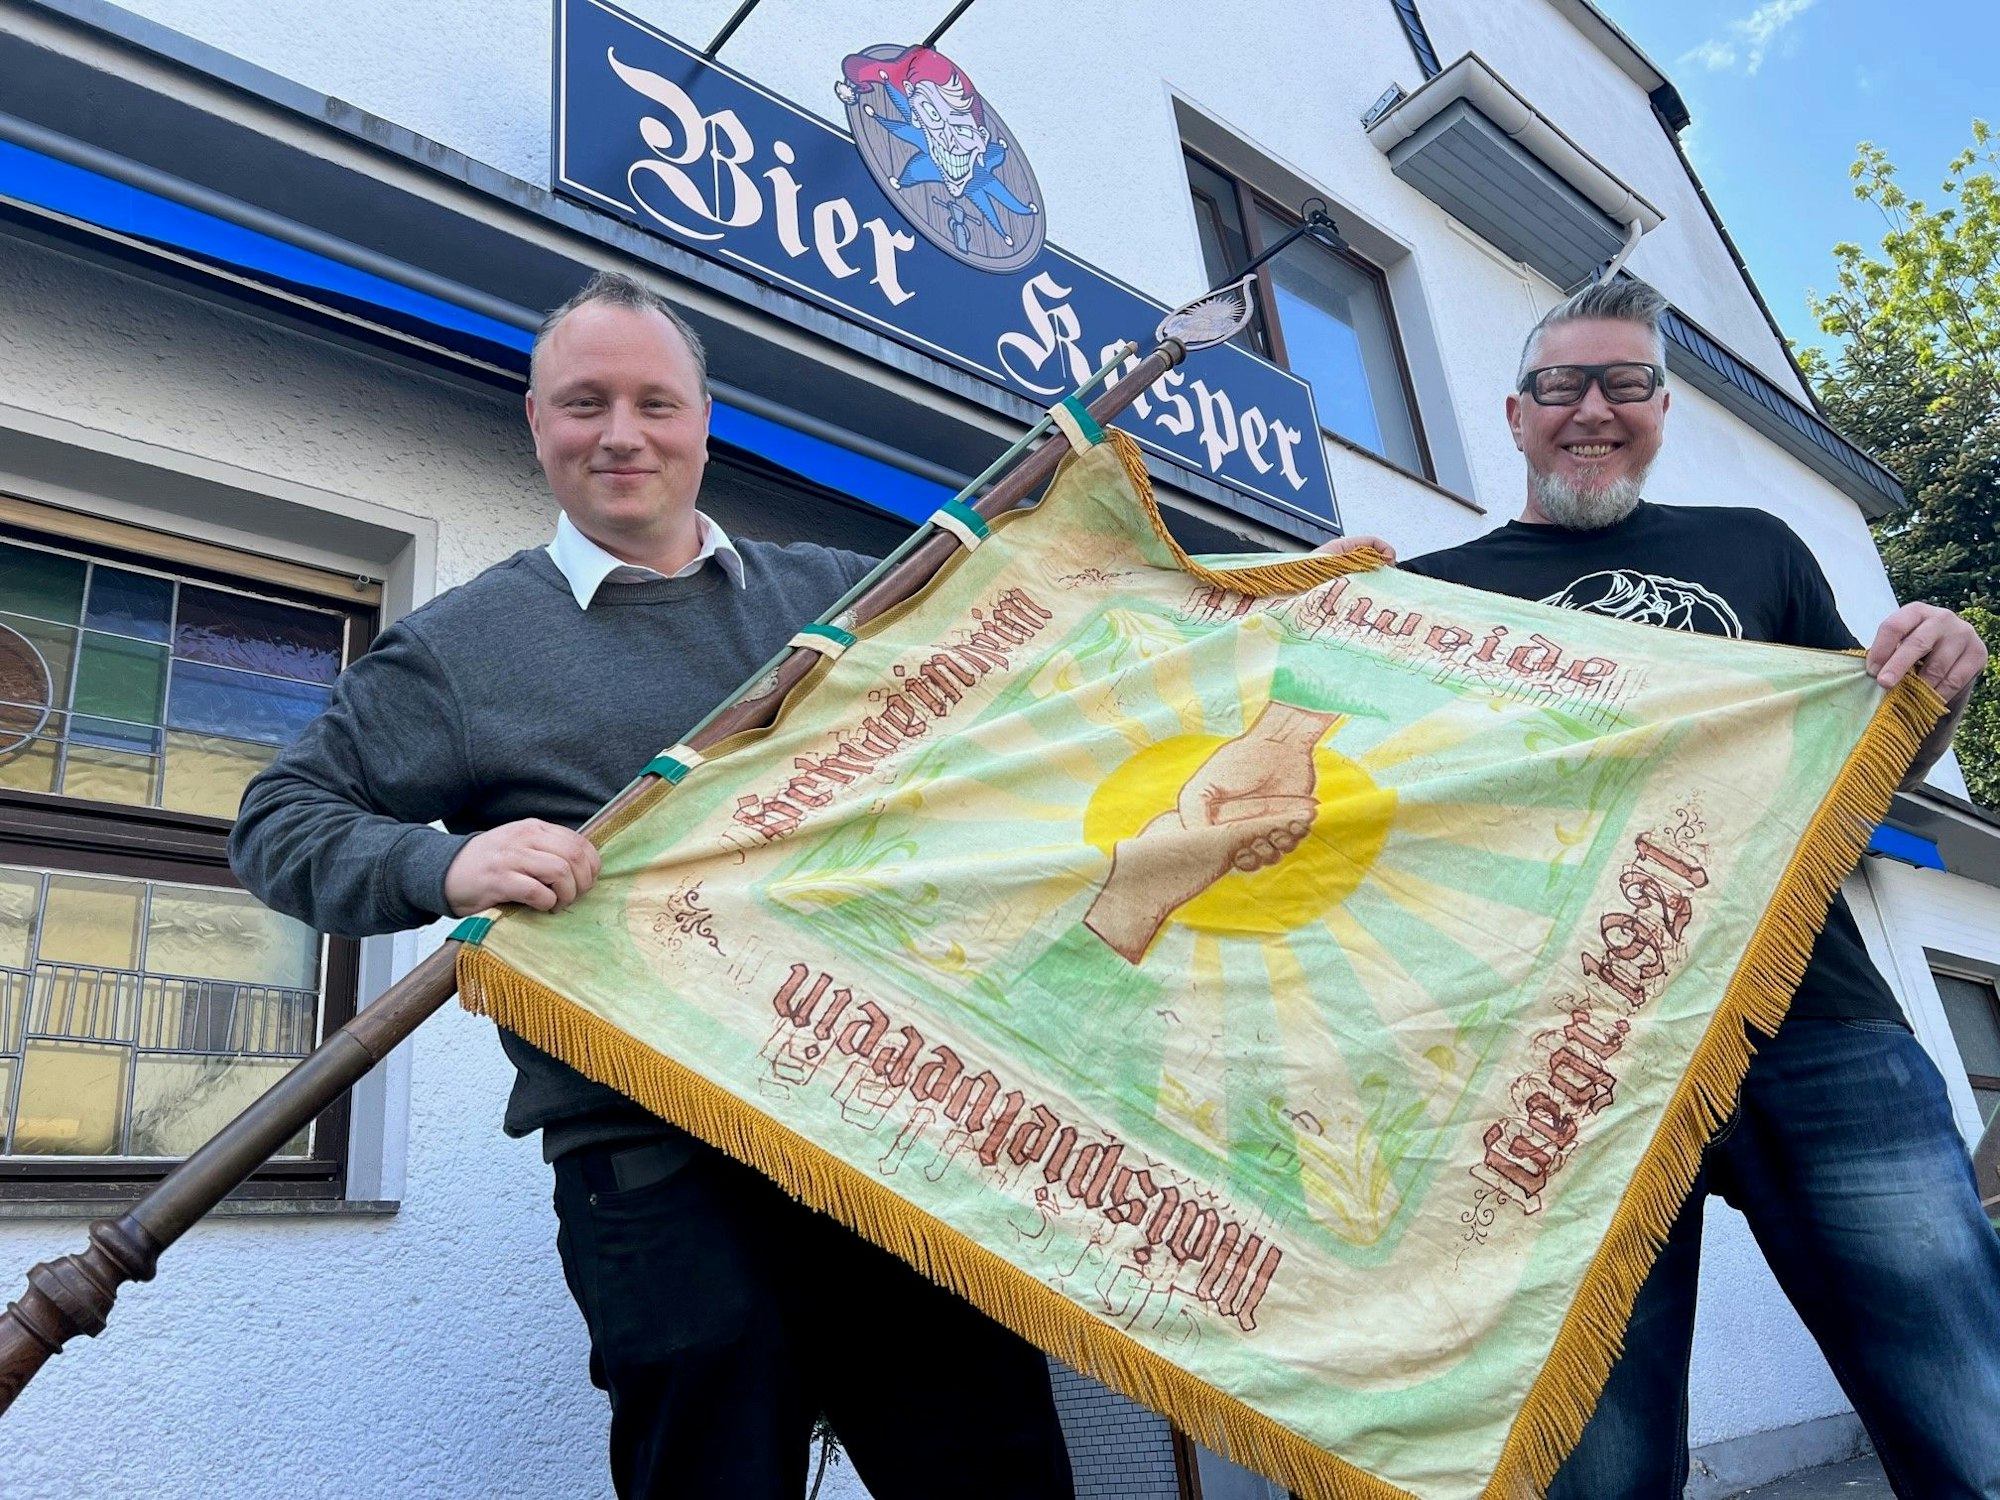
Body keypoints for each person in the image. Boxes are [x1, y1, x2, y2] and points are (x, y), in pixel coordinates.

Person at [228, 271, 1081, 1499]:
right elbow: (276, 820)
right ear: (537, 423)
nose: (620, 434)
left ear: (701, 418)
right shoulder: (465, 647)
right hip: (651, 1158)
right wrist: (444, 860)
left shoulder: (844, 600)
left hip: (887, 1130)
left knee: (988, 1468)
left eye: (653, 402)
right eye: (585, 403)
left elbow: (1065, 670)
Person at [1396, 277, 1999, 1499]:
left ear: (1660, 413)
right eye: (1562, 384)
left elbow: (1860, 775)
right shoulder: (1422, 593)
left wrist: (1935, 689)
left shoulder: (1752, 548)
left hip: (1809, 1023)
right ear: (1514, 416)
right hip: (1560, 1069)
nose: (1593, 409)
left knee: (1974, 1427)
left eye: (1626, 384)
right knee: (1593, 1475)